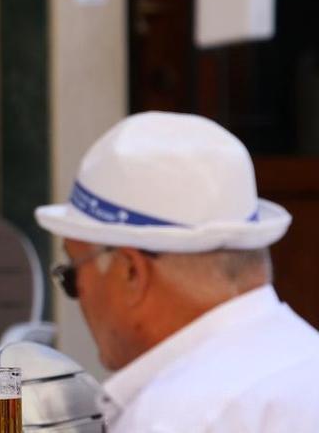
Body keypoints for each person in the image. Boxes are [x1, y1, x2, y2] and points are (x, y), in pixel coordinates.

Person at [35, 111, 319, 432]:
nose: (78, 296)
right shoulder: (307, 361)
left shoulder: (171, 417)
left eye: (71, 275)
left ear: (131, 273)